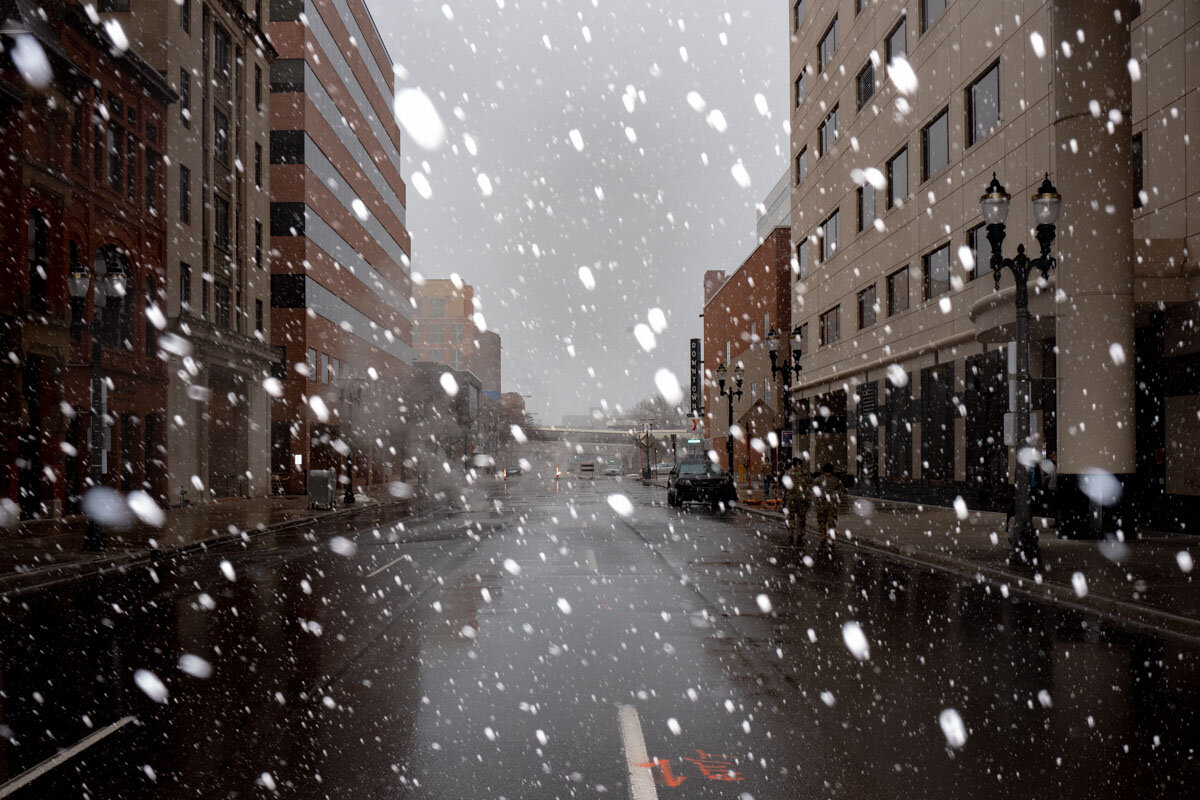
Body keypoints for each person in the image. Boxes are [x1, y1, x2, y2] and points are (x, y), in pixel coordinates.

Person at [782, 457, 813, 545]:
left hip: (791, 497)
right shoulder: (804, 473)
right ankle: (800, 531)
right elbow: (809, 483)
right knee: (801, 516)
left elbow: (784, 485)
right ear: (800, 464)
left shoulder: (788, 472)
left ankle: (791, 532)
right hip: (801, 498)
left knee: (790, 516)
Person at [815, 462, 844, 538]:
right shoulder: (836, 480)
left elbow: (814, 488)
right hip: (832, 503)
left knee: (822, 520)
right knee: (832, 521)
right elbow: (841, 490)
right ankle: (832, 536)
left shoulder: (818, 479)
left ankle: (823, 535)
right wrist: (835, 496)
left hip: (822, 502)